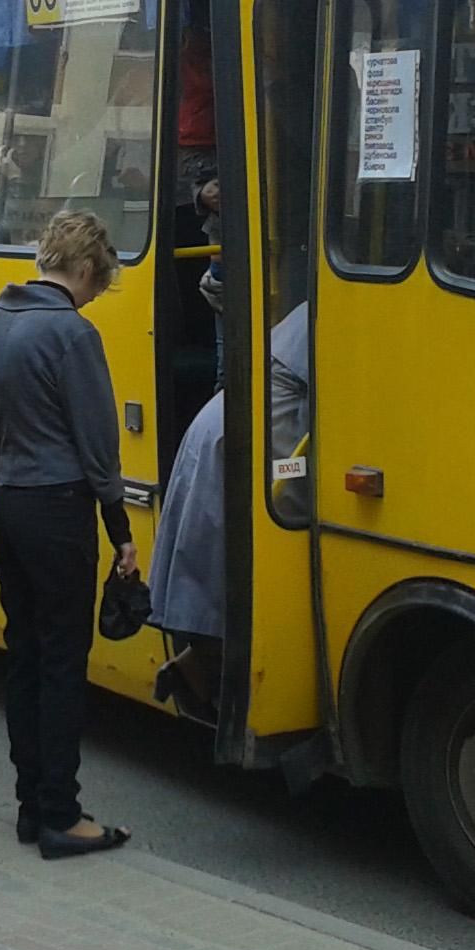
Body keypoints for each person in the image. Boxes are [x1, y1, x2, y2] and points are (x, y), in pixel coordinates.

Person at [0, 210, 135, 860]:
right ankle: (63, 817)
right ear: (87, 269)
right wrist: (119, 528)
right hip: (60, 511)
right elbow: (98, 446)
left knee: (26, 657)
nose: (96, 297)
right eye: (100, 284)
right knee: (65, 663)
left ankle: (30, 804)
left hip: (7, 505)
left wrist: (4, 483)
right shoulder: (72, 334)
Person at [148, 302, 313, 723]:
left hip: (221, 428)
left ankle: (194, 667)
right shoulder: (344, 317)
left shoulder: (314, 307)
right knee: (258, 563)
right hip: (250, 445)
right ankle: (216, 681)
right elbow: (310, 449)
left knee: (215, 568)